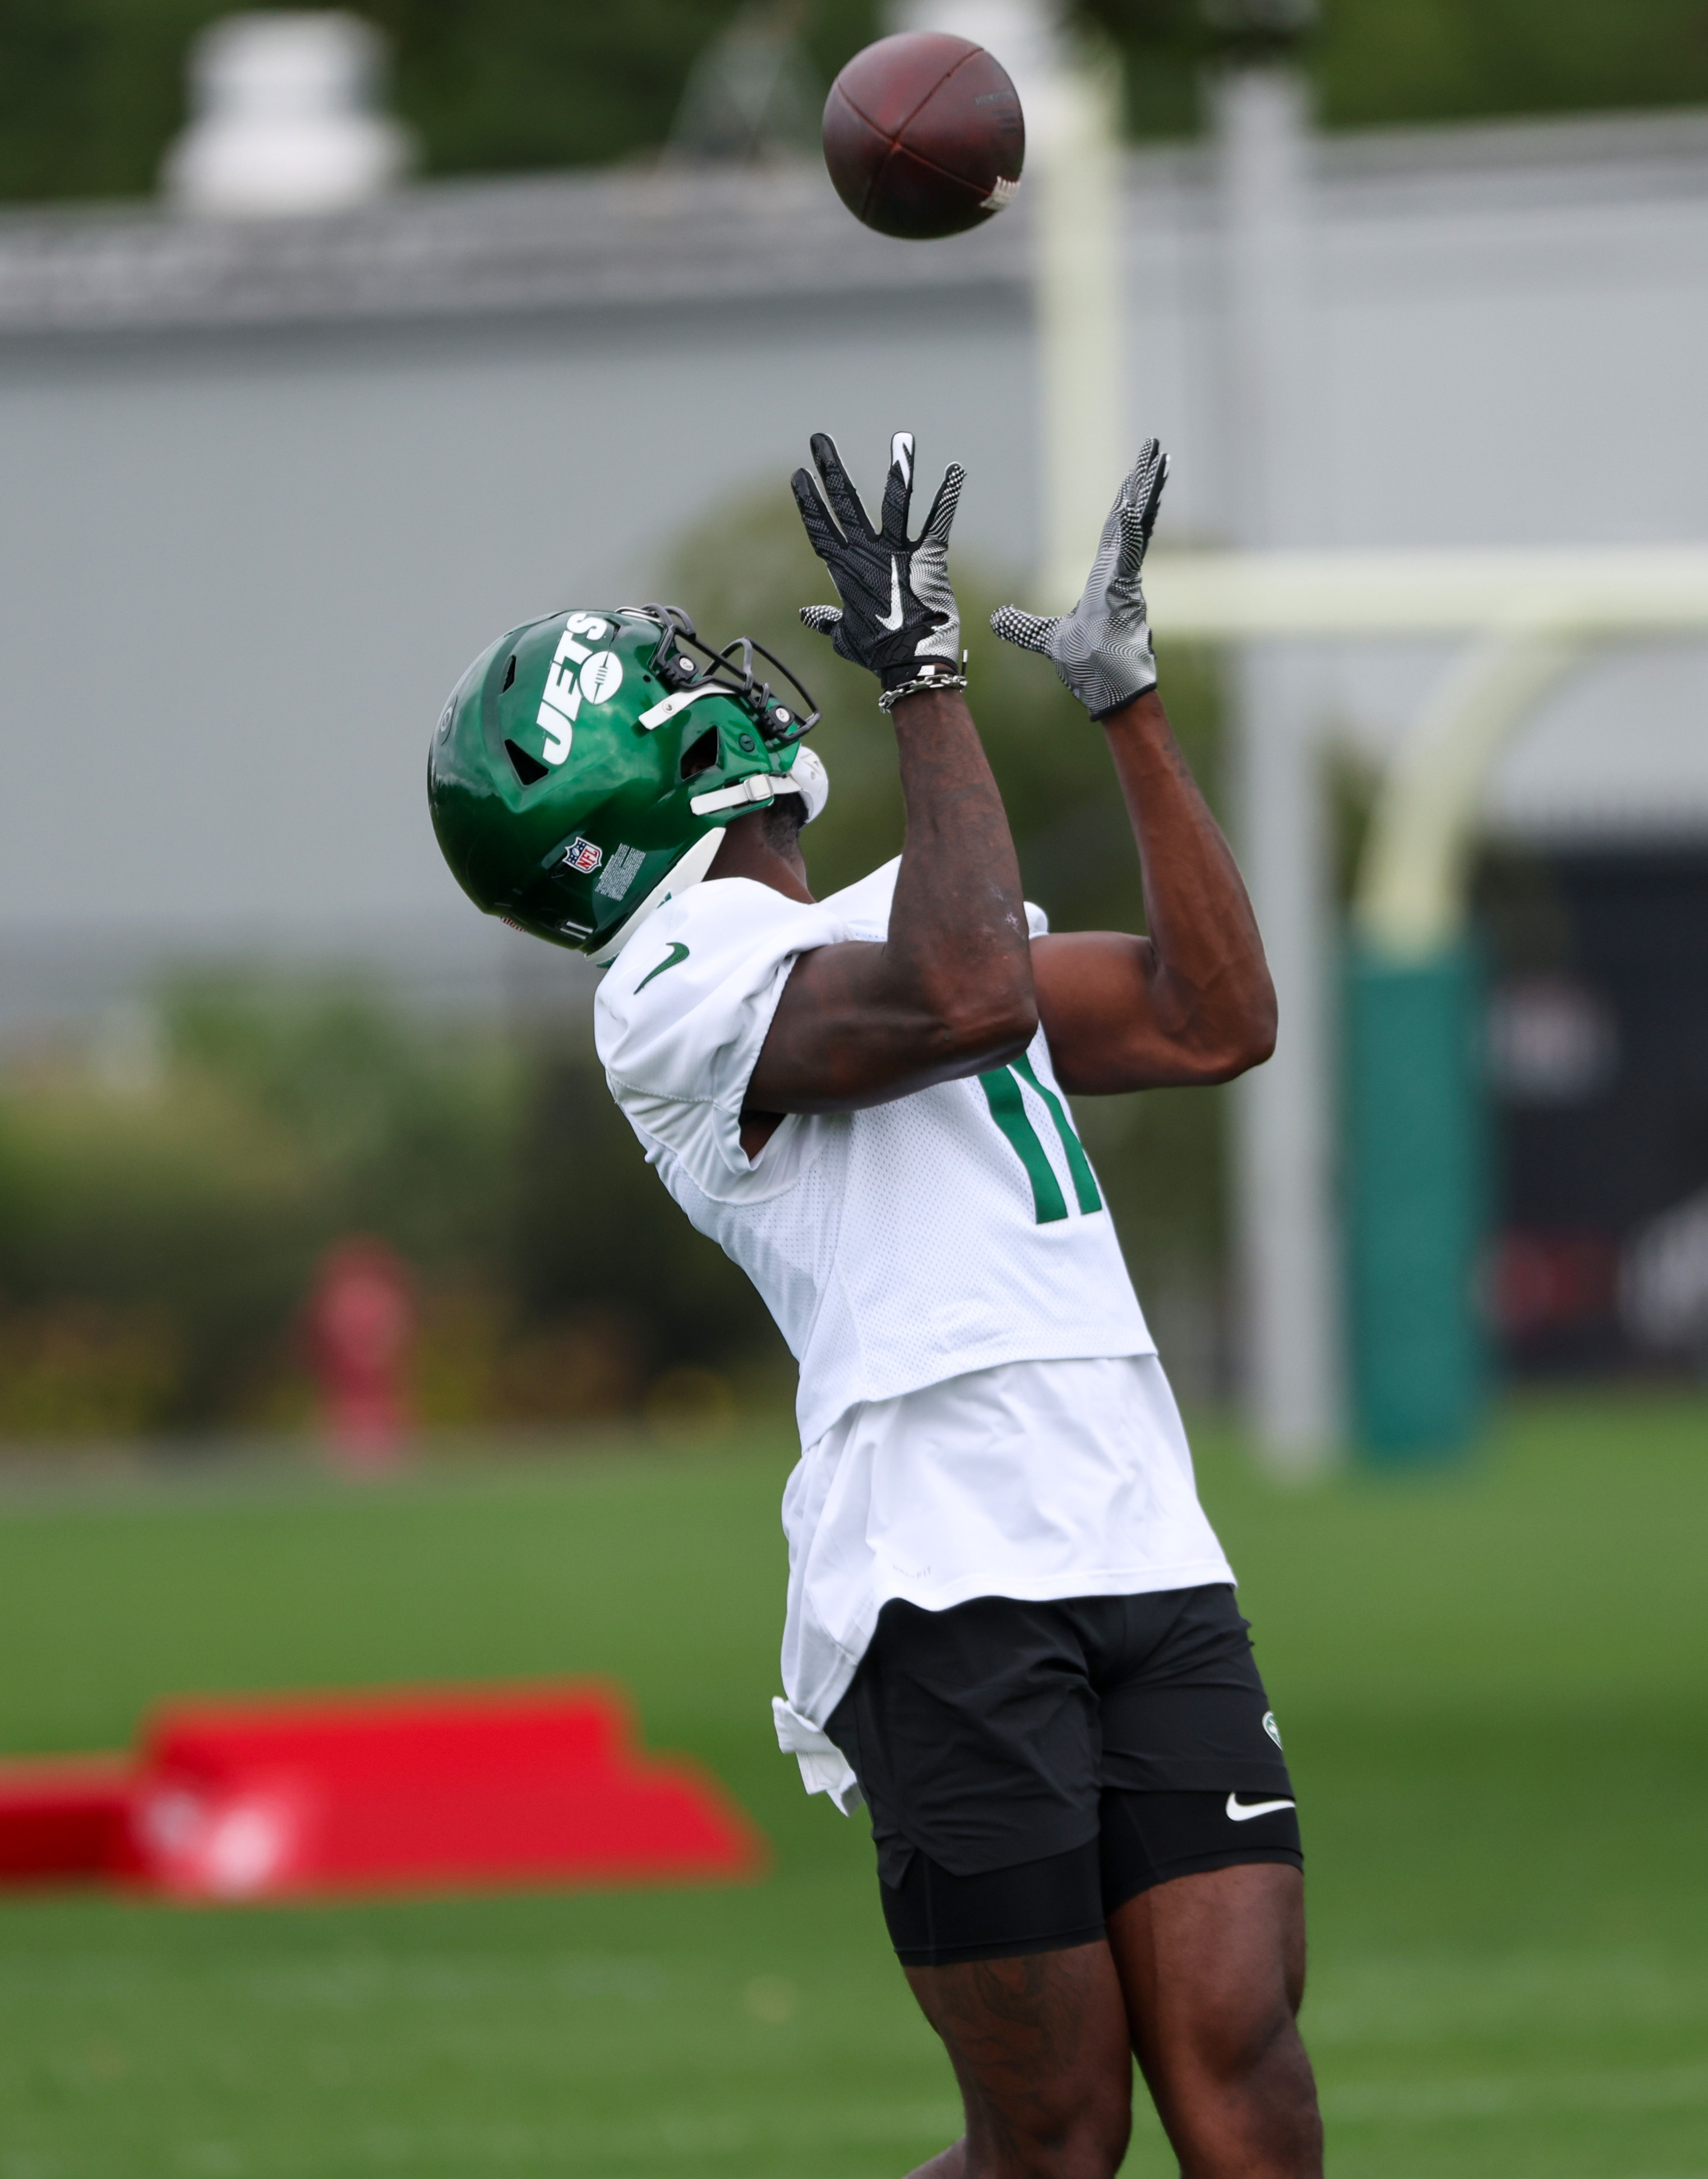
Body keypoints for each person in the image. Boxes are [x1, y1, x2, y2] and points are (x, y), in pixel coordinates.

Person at [427, 428, 1323, 2179]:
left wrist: (1131, 713)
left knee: (1246, 2077)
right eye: (676, 693)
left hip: (1137, 1526)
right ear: (630, 785)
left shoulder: (886, 922)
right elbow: (971, 996)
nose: (728, 696)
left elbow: (1214, 1019)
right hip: (942, 1573)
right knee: (1054, 2141)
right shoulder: (673, 984)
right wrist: (923, 684)